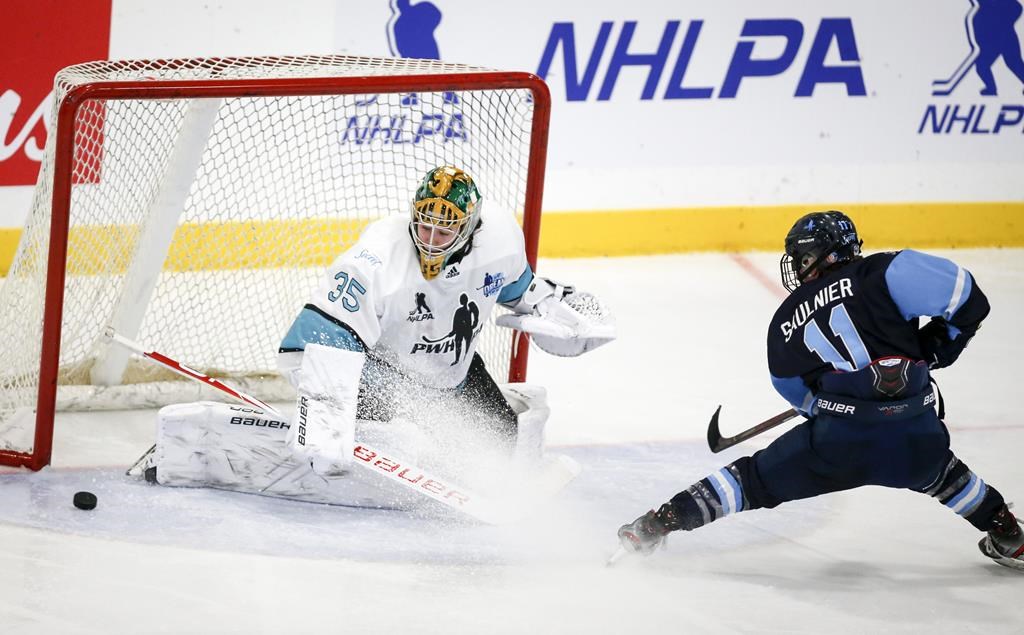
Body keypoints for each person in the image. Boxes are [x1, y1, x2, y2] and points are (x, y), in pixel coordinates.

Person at [141, 165, 615, 507]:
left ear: (470, 227)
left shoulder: (500, 242)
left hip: (447, 366)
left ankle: (432, 454)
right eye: (424, 223)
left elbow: (520, 292)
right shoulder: (375, 261)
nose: (429, 237)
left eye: (444, 229)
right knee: (407, 429)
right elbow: (325, 342)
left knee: (497, 436)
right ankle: (373, 442)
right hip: (371, 363)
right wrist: (325, 423)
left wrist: (559, 313)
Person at [616, 210, 1023, 571]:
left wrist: (835, 403)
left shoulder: (785, 320)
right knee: (943, 474)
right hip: (915, 433)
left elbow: (796, 392)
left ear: (822, 253)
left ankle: (656, 524)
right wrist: (932, 350)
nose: (797, 266)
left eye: (801, 257)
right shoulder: (890, 272)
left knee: (751, 481)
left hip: (836, 443)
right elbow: (968, 298)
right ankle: (1008, 534)